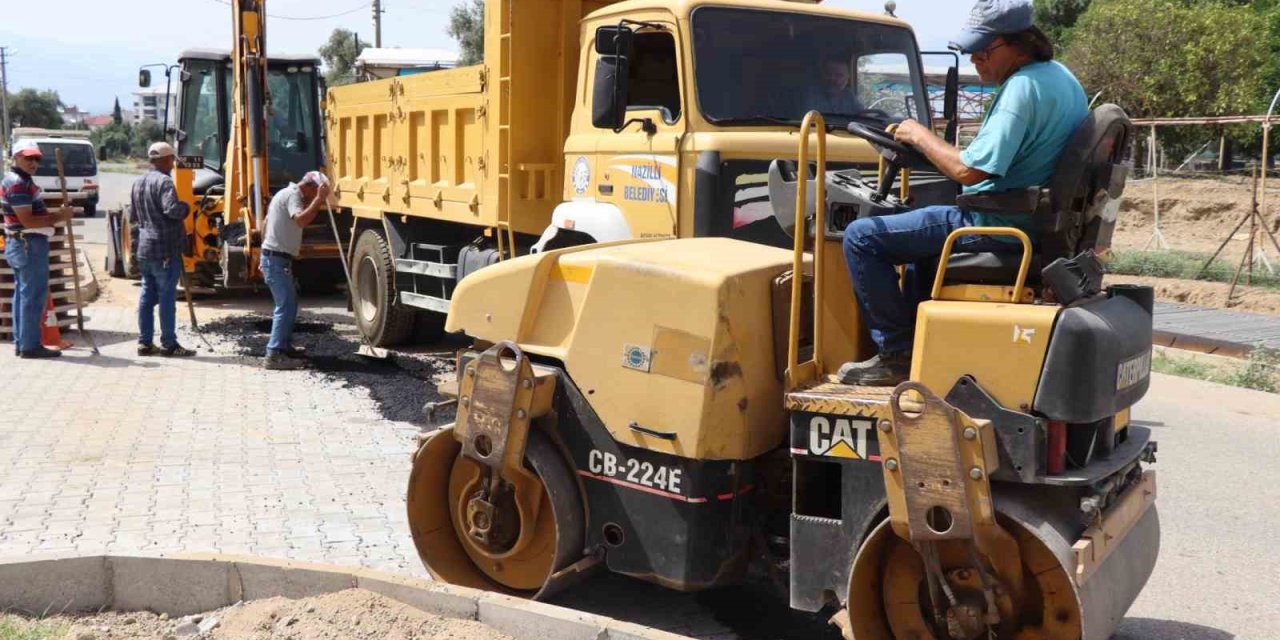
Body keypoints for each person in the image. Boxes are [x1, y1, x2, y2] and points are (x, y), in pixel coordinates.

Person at [837, 0, 1087, 386]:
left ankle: (896, 354)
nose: (975, 60)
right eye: (971, 51)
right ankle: (922, 346)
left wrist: (919, 134)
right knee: (917, 242)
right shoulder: (1061, 78)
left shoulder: (1021, 90)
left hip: (997, 223)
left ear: (1019, 44)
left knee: (861, 238)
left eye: (983, 51)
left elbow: (969, 171)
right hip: (1030, 220)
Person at [2, 140, 75, 358]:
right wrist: (60, 216)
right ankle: (30, 346)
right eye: (29, 158)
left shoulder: (19, 180)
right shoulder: (18, 184)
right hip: (28, 243)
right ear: (16, 157)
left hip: (21, 243)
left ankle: (23, 342)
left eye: (37, 159)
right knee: (33, 295)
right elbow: (29, 221)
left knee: (24, 294)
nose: (34, 163)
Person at [260, 170, 329, 370]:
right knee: (285, 306)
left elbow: (265, 224)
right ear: (310, 186)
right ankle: (274, 354)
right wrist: (319, 200)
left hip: (274, 258)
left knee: (289, 304)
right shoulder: (293, 196)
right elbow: (300, 220)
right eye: (315, 192)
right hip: (276, 260)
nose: (312, 198)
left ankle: (283, 346)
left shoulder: (283, 193)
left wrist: (264, 251)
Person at [132, 141, 196, 357]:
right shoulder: (165, 182)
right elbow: (172, 210)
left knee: (146, 297)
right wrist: (186, 207)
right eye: (172, 160)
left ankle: (145, 342)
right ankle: (169, 343)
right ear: (167, 160)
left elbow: (134, 216)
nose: (173, 164)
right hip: (165, 250)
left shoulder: (138, 182)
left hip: (145, 249)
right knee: (167, 297)